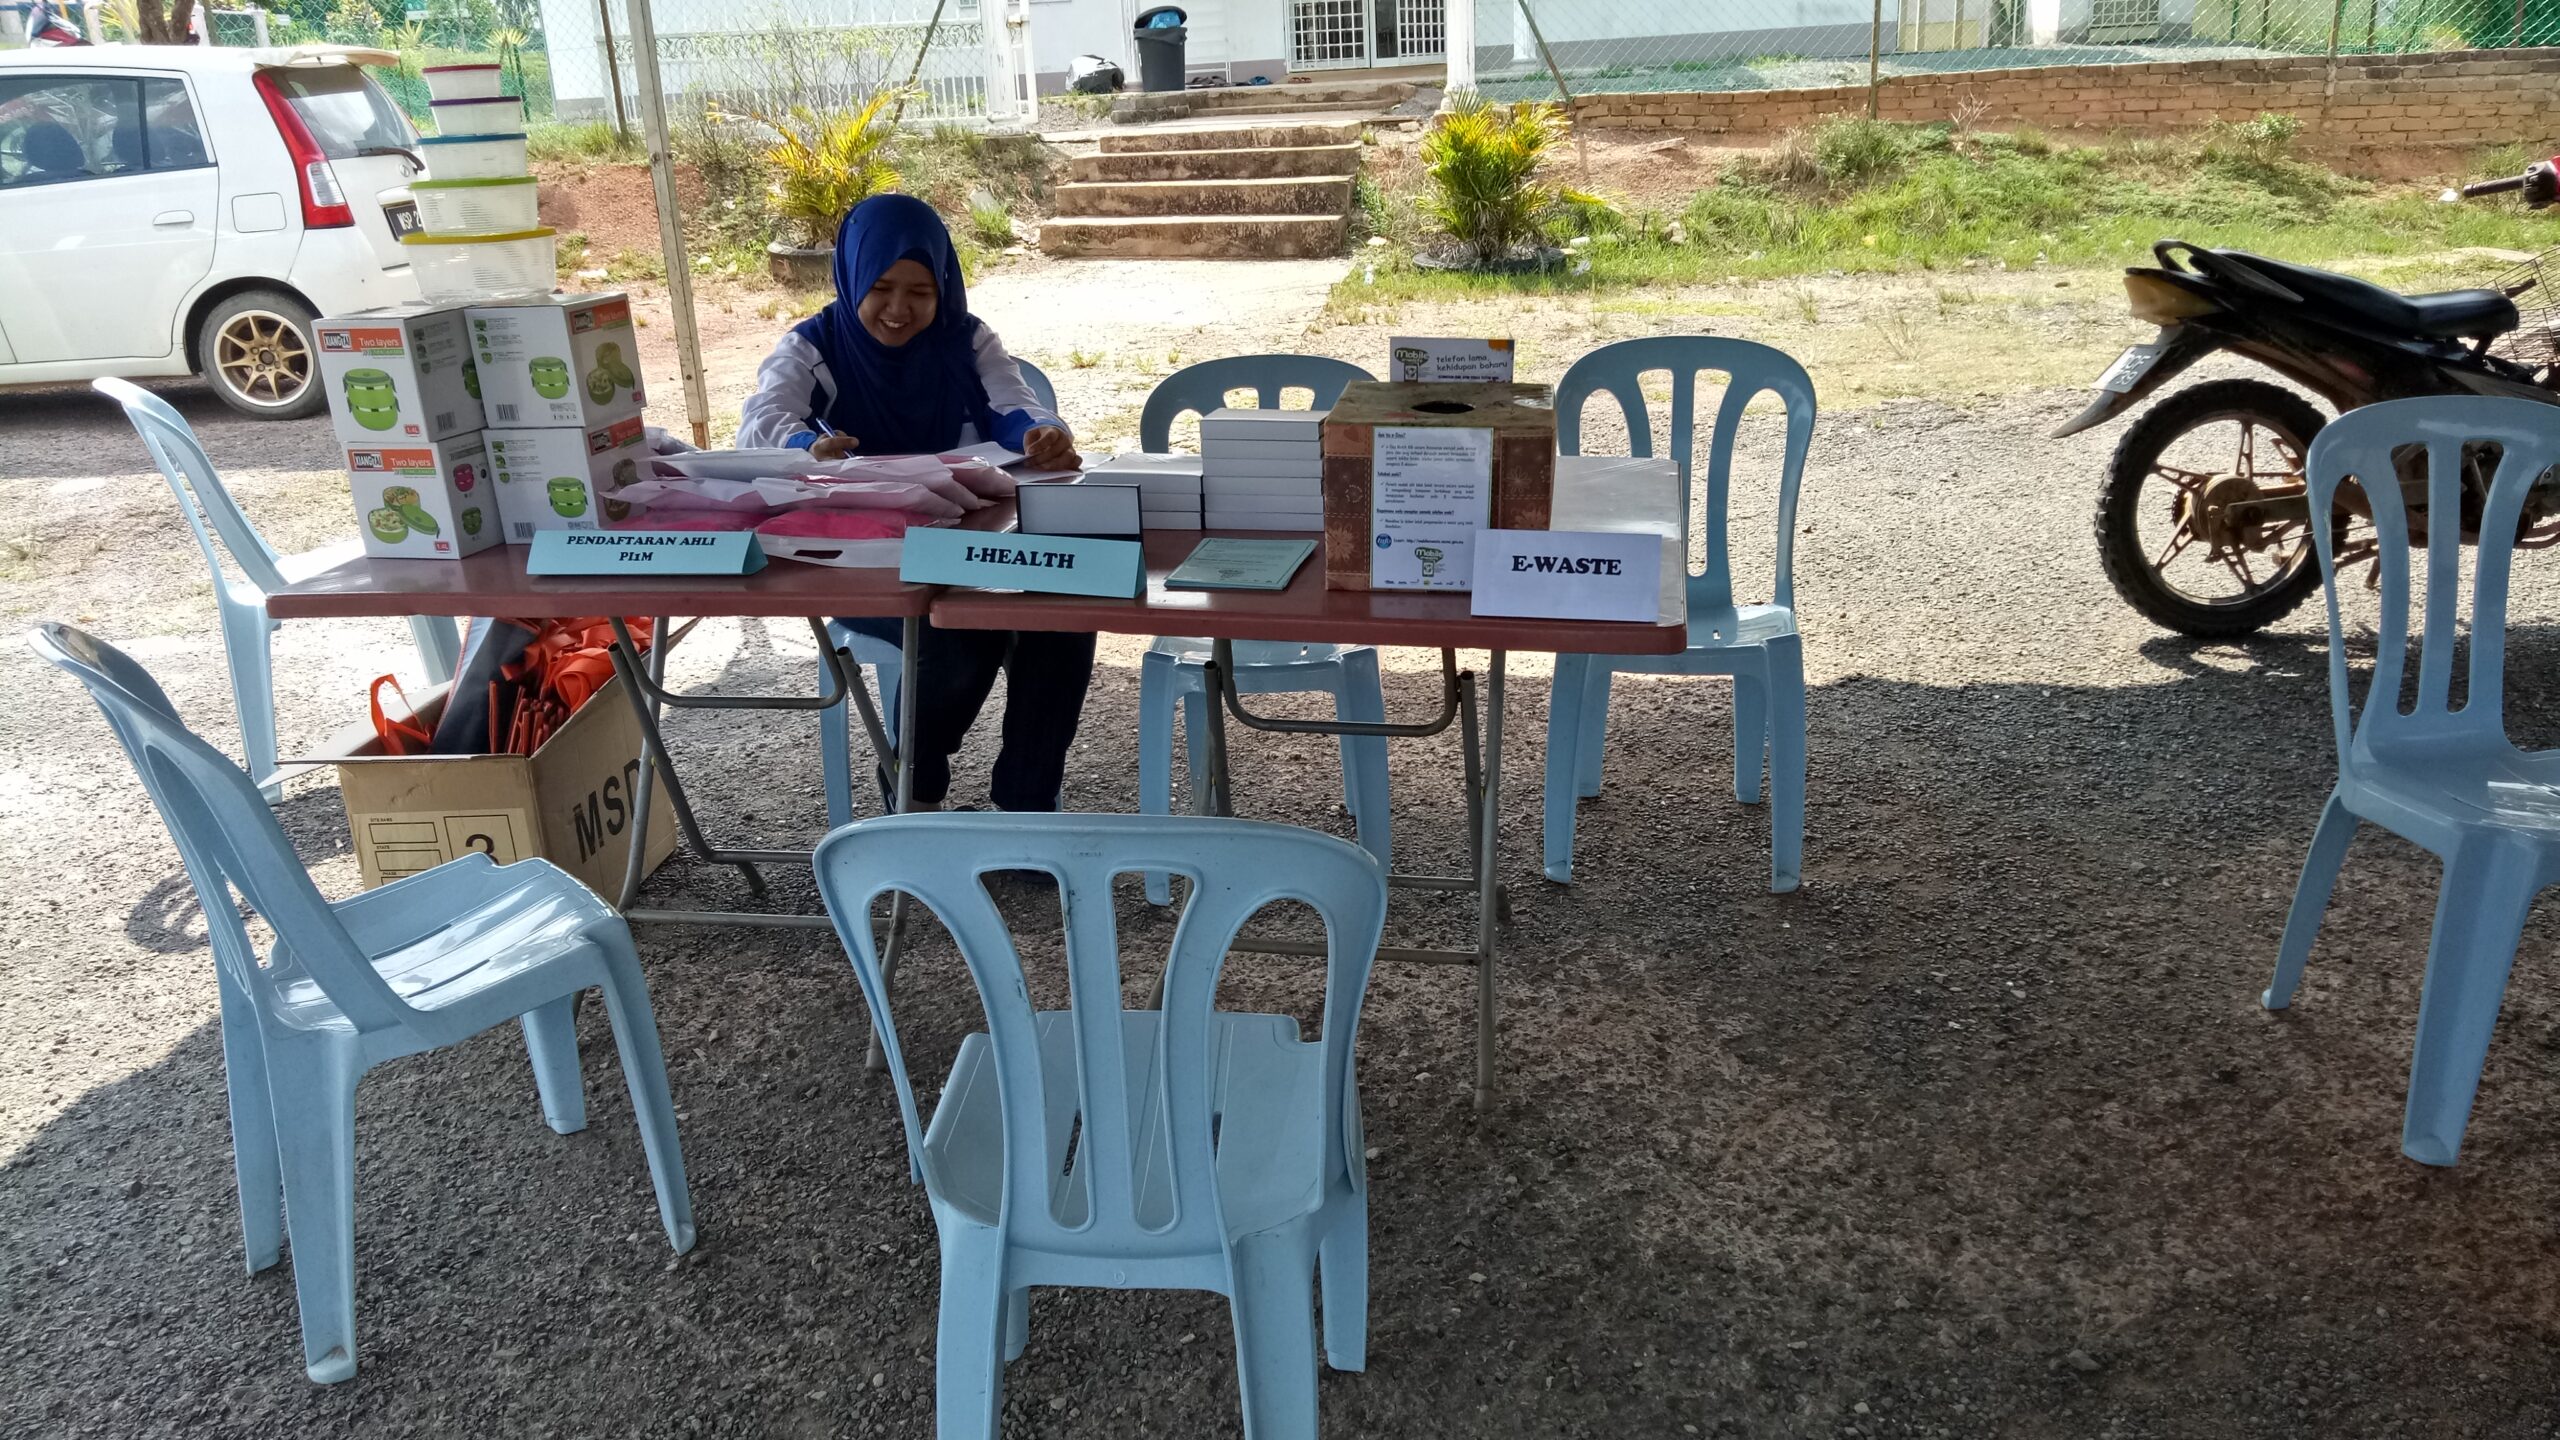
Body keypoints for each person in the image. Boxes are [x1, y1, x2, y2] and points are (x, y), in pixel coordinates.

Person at [737, 193, 1092, 816]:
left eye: (921, 292)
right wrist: (805, 446)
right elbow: (761, 424)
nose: (899, 310)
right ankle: (916, 796)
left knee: (1064, 615)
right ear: (851, 276)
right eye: (880, 288)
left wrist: (1042, 434)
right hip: (864, 560)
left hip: (968, 546)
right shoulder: (813, 347)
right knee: (956, 630)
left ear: (943, 286)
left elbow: (1013, 404)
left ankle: (1026, 808)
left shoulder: (966, 339)